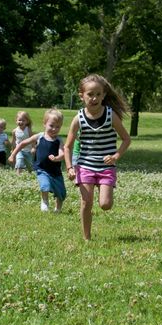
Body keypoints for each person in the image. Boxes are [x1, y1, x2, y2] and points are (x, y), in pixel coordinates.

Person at [64, 74, 131, 240]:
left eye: (98, 94)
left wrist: (116, 156)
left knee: (105, 205)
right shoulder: (78, 118)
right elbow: (67, 146)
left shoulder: (110, 115)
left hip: (106, 168)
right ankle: (87, 238)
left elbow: (126, 139)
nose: (94, 98)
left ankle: (104, 192)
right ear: (82, 96)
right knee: (86, 203)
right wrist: (70, 167)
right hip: (85, 166)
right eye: (90, 94)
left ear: (104, 95)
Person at [9, 108, 66, 213]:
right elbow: (22, 143)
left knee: (61, 193)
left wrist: (58, 158)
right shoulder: (39, 136)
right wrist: (13, 155)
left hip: (55, 171)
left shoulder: (59, 140)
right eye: (51, 126)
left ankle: (57, 209)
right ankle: (44, 202)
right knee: (45, 185)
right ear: (44, 124)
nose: (54, 129)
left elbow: (62, 152)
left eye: (57, 127)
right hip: (42, 169)